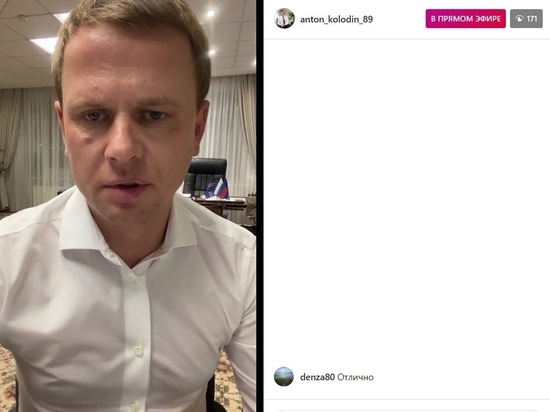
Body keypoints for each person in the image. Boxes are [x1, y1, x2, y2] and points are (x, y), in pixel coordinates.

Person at [0, 0, 256, 411]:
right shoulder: (7, 255)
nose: (122, 150)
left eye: (154, 115)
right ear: (64, 128)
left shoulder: (243, 262)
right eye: (93, 115)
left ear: (197, 129)